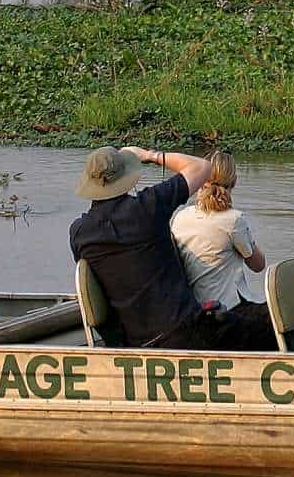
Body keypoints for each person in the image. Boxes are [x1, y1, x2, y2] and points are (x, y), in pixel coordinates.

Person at [68, 146, 275, 351]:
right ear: (126, 178)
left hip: (136, 343)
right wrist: (150, 155)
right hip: (189, 332)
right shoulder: (148, 206)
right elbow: (202, 167)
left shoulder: (79, 233)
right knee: (273, 318)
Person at [169, 152, 270, 328]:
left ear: (200, 180)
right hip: (229, 309)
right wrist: (249, 241)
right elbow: (258, 266)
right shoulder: (235, 219)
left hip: (193, 308)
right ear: (234, 181)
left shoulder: (180, 216)